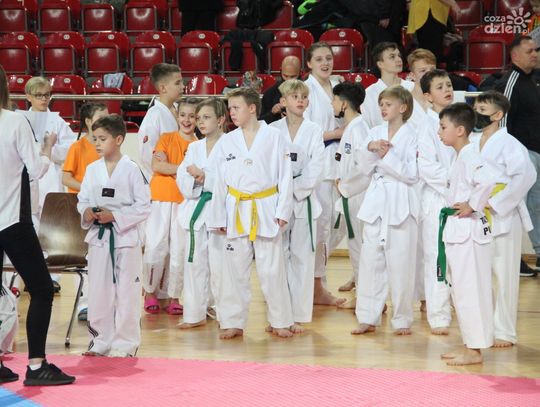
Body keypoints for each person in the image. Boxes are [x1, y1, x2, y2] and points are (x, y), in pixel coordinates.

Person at [0, 65, 75, 385]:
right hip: (11, 219)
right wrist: (45, 150)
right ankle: (36, 365)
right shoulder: (14, 120)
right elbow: (36, 169)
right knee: (42, 289)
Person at [208, 87, 295, 339]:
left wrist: (283, 210)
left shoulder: (274, 136)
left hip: (266, 206)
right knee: (234, 270)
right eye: (230, 109)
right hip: (236, 208)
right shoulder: (227, 141)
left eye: (236, 108)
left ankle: (280, 320)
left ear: (252, 108)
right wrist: (218, 216)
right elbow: (218, 183)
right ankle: (233, 321)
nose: (231, 113)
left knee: (272, 269)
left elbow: (286, 176)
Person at [78, 114, 151, 357]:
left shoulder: (132, 169)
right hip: (99, 238)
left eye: (103, 139)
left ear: (118, 140)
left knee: (127, 292)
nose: (97, 143)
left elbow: (144, 206)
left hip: (126, 239)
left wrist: (116, 216)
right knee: (98, 291)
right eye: (95, 138)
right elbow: (82, 200)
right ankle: (100, 341)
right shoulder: (92, 169)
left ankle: (125, 344)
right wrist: (87, 212)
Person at [352, 85, 418, 336]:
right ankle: (367, 317)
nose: (383, 108)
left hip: (401, 199)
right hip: (376, 200)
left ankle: (402, 319)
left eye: (388, 104)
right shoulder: (375, 132)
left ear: (403, 108)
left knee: (401, 263)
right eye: (381, 104)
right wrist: (371, 148)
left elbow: (411, 174)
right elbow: (364, 166)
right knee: (370, 261)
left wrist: (387, 156)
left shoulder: (413, 135)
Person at [471, 91, 536, 347]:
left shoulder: (510, 144)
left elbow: (527, 176)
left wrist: (497, 202)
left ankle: (505, 331)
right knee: (480, 273)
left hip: (503, 213)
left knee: (505, 273)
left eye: (482, 110)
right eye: (475, 109)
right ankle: (484, 328)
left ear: (497, 115)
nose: (477, 114)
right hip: (477, 212)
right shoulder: (472, 141)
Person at [437, 102, 497, 366]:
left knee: (469, 291)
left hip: (468, 232)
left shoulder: (470, 155)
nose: (439, 132)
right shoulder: (461, 155)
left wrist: (472, 204)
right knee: (464, 291)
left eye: (443, 127)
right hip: (462, 230)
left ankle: (474, 350)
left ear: (460, 130)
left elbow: (489, 179)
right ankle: (470, 345)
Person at [270, 79, 325, 332]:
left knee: (303, 257)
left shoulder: (314, 130)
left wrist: (293, 190)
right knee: (278, 258)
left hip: (303, 199)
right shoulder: (272, 130)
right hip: (277, 200)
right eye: (295, 97)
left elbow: (316, 167)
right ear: (283, 102)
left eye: (304, 97)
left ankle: (300, 315)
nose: (300, 101)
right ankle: (279, 315)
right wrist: (281, 190)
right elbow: (268, 165)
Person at [143, 98, 198, 315]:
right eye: (183, 115)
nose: (187, 120)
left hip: (185, 201)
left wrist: (171, 167)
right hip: (160, 198)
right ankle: (149, 291)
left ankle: (174, 296)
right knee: (155, 245)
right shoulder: (166, 138)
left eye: (192, 116)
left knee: (179, 250)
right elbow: (157, 165)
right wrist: (183, 169)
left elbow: (196, 174)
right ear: (177, 116)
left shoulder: (198, 145)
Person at [176, 98, 227, 328]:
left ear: (221, 119)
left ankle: (226, 315)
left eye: (206, 117)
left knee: (221, 266)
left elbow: (233, 178)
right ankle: (194, 314)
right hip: (196, 208)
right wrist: (196, 180)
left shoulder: (231, 145)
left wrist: (204, 176)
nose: (200, 122)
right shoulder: (194, 147)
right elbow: (182, 176)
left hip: (220, 211)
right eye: (199, 118)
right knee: (194, 264)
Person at [303, 42, 347, 306]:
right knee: (320, 226)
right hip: (318, 165)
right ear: (309, 63)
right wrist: (336, 133)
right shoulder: (306, 91)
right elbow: (305, 133)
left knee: (337, 225)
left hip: (339, 164)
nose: (325, 63)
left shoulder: (338, 87)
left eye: (328, 58)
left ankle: (315, 281)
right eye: (318, 59)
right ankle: (315, 286)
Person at [493, 36, 540, 277]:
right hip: (521, 156)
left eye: (536, 50)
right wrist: (506, 157)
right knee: (519, 206)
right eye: (529, 51)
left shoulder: (532, 81)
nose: (535, 54)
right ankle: (514, 258)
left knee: (535, 205)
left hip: (534, 152)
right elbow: (501, 120)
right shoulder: (510, 82)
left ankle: (534, 254)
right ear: (515, 56)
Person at [62, 102, 109, 322]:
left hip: (104, 208)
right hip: (80, 207)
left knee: (101, 256)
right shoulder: (78, 147)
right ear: (89, 121)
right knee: (83, 256)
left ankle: (103, 302)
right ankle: (85, 304)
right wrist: (88, 189)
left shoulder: (108, 146)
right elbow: (66, 177)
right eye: (100, 117)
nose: (105, 121)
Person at [418, 69, 456, 334]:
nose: (447, 89)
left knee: (462, 259)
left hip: (463, 200)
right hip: (438, 199)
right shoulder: (426, 126)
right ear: (428, 96)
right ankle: (439, 316)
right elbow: (427, 167)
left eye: (449, 85)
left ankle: (463, 308)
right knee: (437, 258)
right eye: (440, 87)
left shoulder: (461, 119)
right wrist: (455, 182)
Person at [332, 82, 371, 305]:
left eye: (335, 100)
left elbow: (364, 166)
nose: (332, 104)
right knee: (355, 246)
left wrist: (344, 186)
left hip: (357, 195)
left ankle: (364, 299)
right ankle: (361, 287)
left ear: (344, 104)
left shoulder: (359, 129)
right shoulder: (353, 127)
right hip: (350, 194)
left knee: (359, 247)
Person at [138, 63, 183, 182]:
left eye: (182, 82)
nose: (183, 87)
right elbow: (147, 156)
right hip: (162, 180)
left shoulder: (180, 110)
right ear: (163, 88)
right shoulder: (154, 115)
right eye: (177, 83)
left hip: (180, 176)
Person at [360, 42, 414, 129]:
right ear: (380, 64)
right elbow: (367, 126)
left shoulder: (412, 87)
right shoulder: (369, 93)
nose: (398, 59)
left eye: (399, 55)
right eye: (392, 57)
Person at [260, 56, 302, 124]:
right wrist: (272, 113)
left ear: (300, 72)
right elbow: (260, 122)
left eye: (293, 76)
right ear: (280, 71)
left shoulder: (308, 92)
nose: (288, 80)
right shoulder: (270, 93)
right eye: (285, 76)